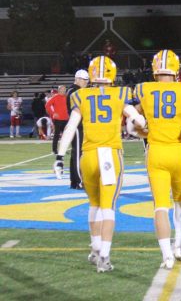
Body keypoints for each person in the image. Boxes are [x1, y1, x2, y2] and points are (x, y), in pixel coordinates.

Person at [54, 56, 145, 273]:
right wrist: (139, 127)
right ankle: (104, 255)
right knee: (108, 207)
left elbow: (70, 129)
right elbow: (137, 119)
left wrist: (59, 156)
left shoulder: (80, 96)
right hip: (109, 155)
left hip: (88, 156)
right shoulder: (119, 94)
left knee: (94, 204)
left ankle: (94, 249)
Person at [133, 49, 181, 270]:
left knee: (160, 206)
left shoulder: (143, 89)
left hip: (156, 152)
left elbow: (133, 126)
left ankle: (167, 256)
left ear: (154, 69)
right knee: (180, 200)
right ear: (176, 69)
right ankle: (178, 246)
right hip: (179, 150)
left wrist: (147, 133)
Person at [66, 69, 90, 189]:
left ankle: (74, 181)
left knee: (76, 152)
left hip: (76, 124)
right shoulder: (75, 91)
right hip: (77, 124)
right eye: (85, 80)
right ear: (78, 79)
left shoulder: (73, 90)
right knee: (78, 153)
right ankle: (79, 180)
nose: (86, 83)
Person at [46, 85, 69, 155]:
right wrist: (53, 113)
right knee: (56, 135)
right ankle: (54, 150)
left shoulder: (67, 97)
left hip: (66, 119)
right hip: (58, 119)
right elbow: (47, 105)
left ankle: (63, 149)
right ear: (59, 90)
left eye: (64, 89)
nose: (63, 90)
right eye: (62, 89)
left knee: (65, 136)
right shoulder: (55, 97)